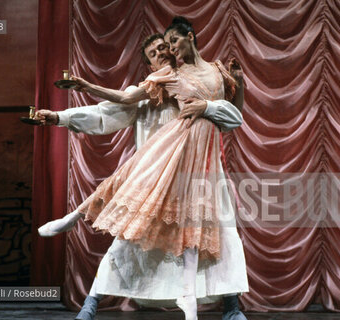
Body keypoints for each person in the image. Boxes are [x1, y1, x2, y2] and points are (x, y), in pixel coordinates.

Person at [38, 30, 248, 320]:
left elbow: (230, 115)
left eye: (165, 48)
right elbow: (106, 112)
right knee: (126, 241)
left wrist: (234, 85)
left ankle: (231, 307)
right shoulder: (150, 94)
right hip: (152, 177)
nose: (162, 53)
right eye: (154, 53)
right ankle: (92, 303)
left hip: (199, 172)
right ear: (149, 65)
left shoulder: (192, 82)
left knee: (219, 230)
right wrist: (62, 116)